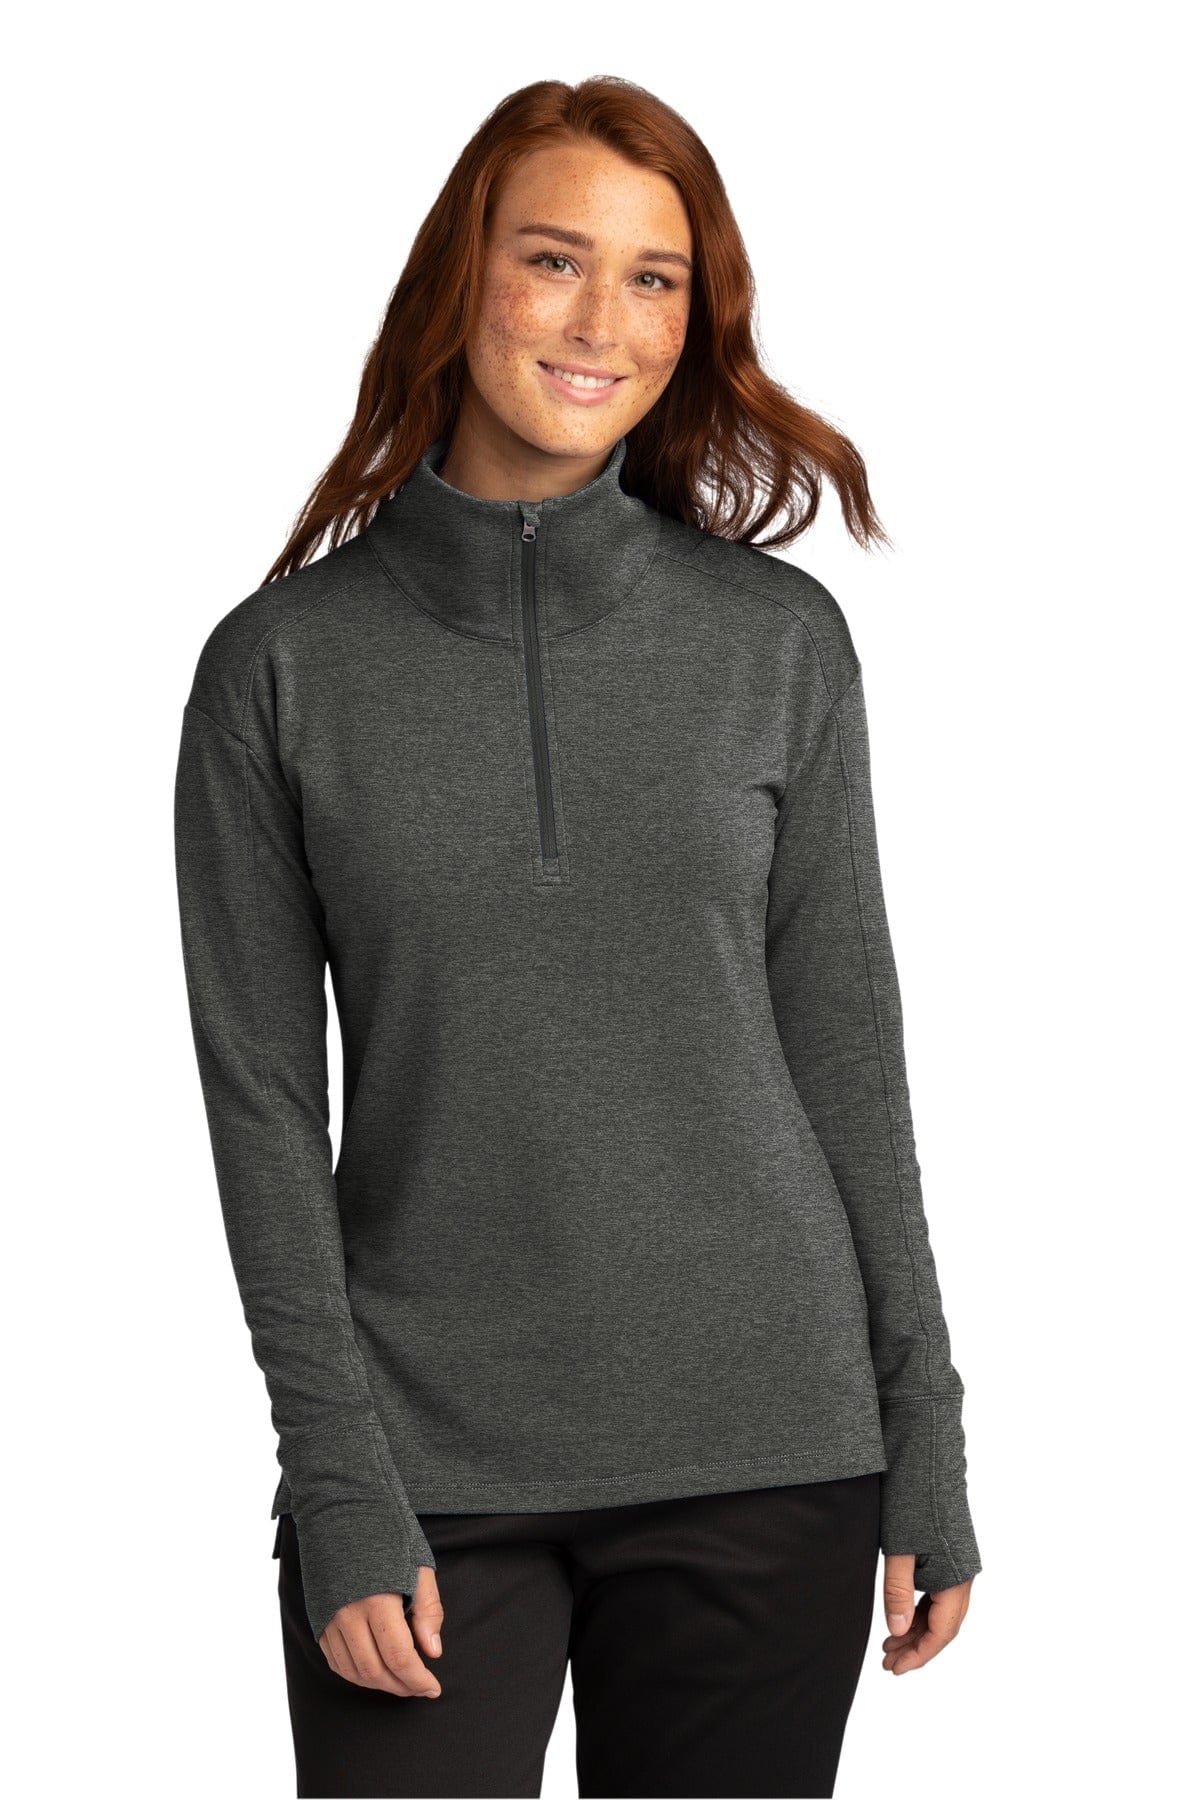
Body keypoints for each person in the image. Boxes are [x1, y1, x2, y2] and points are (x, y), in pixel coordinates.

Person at [173, 74, 982, 1800]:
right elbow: (263, 1112)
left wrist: (926, 1427)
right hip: (428, 1463)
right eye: (554, 259)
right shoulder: (280, 671)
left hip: (768, 1447)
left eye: (654, 278)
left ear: (695, 321)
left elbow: (849, 1054)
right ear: (461, 279)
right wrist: (338, 1478)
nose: (602, 321)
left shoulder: (777, 645)